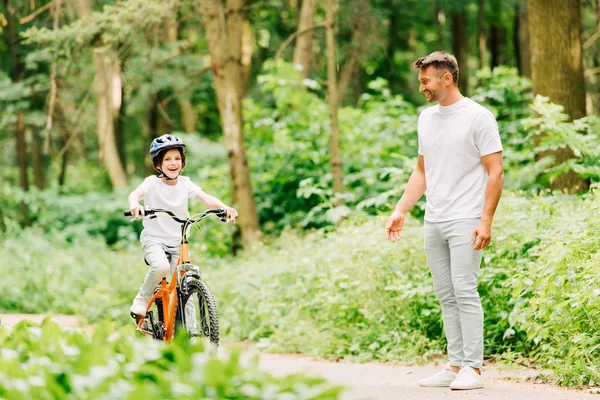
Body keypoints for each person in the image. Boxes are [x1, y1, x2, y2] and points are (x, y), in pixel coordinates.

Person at [385, 51, 503, 391]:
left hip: (466, 217)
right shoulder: (426, 118)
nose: (422, 87)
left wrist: (486, 220)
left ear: (446, 78)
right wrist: (401, 209)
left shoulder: (478, 118)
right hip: (433, 219)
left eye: (425, 81)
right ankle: (454, 365)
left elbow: (495, 172)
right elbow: (422, 170)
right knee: (446, 294)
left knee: (465, 290)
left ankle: (473, 369)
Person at [128, 133, 238, 317]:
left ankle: (192, 337)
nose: (173, 163)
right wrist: (135, 205)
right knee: (161, 267)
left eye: (177, 158)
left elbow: (207, 199)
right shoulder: (151, 183)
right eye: (168, 159)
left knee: (185, 287)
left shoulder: (185, 184)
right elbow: (135, 194)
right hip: (155, 240)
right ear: (158, 164)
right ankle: (143, 297)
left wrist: (225, 207)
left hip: (178, 242)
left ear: (183, 162)